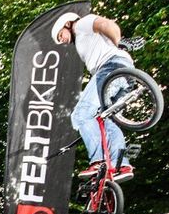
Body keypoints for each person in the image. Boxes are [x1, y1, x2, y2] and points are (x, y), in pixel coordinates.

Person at [52, 11, 135, 181]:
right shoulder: (82, 39)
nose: (62, 41)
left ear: (67, 23)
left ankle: (98, 161)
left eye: (61, 35)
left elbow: (107, 25)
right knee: (105, 120)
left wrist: (118, 43)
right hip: (125, 74)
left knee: (81, 115)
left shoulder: (81, 25)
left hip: (110, 68)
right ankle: (122, 165)